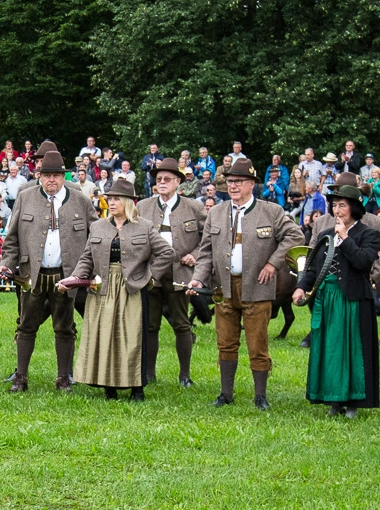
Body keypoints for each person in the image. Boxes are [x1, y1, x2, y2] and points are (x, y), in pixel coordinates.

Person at [187, 158, 304, 409]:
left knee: (257, 343)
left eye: (239, 181)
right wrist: (198, 278)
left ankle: (260, 396)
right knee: (225, 342)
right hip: (223, 288)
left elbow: (295, 236)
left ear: (252, 184)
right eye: (230, 181)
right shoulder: (216, 212)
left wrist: (273, 263)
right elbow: (205, 252)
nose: (233, 186)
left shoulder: (271, 211)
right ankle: (225, 394)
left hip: (257, 287)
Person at [62, 177, 173, 401]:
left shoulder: (144, 226)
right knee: (104, 335)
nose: (111, 203)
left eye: (116, 199)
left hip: (131, 289)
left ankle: (136, 387)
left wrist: (148, 276)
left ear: (129, 202)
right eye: (109, 199)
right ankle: (108, 386)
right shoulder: (98, 226)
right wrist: (74, 278)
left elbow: (166, 253)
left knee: (132, 337)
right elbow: (87, 258)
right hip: (102, 287)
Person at [0, 143, 93, 393]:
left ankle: (64, 378)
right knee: (26, 325)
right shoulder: (25, 197)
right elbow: (12, 238)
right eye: (47, 175)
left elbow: (96, 237)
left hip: (66, 275)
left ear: (64, 176)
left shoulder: (81, 201)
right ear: (39, 175)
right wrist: (7, 265)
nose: (52, 179)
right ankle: (20, 377)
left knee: (65, 327)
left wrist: (89, 270)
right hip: (32, 274)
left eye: (56, 175)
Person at [293, 182, 380, 416]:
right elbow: (314, 268)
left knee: (352, 350)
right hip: (327, 299)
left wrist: (345, 237)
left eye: (342, 205)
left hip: (353, 300)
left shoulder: (369, 234)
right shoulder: (325, 235)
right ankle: (333, 400)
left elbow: (363, 262)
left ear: (354, 208)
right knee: (330, 349)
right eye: (334, 206)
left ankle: (353, 402)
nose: (337, 210)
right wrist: (301, 287)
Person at [141, 159, 205, 387]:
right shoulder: (143, 207)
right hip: (152, 273)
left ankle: (184, 375)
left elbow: (208, 238)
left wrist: (195, 254)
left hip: (181, 273)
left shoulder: (194, 207)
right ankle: (148, 374)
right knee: (150, 325)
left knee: (181, 324)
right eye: (158, 179)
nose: (162, 183)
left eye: (167, 179)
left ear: (178, 182)